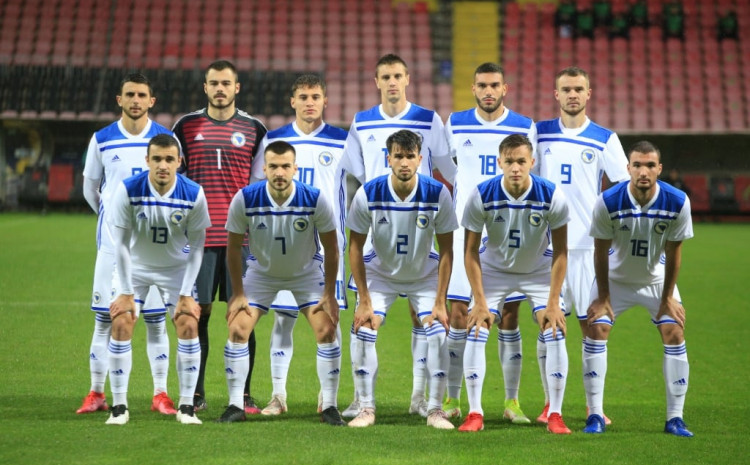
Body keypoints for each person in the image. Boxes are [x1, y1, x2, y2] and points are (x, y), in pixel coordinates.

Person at [340, 53, 457, 419]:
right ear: (376, 81)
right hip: (379, 229)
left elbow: (448, 168)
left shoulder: (429, 119)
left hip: (419, 228)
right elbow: (354, 173)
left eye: (397, 75)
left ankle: (421, 398)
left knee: (425, 321)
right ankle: (362, 399)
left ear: (407, 78)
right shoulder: (362, 121)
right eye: (385, 76)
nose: (392, 82)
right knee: (364, 320)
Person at [217, 140, 345, 426]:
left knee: (327, 330)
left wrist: (329, 293)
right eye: (273, 166)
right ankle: (235, 404)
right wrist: (238, 293)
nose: (279, 172)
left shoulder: (314, 198)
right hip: (262, 274)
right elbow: (233, 248)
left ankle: (330, 406)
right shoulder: (245, 198)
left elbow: (332, 248)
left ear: (295, 168)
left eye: (285, 166)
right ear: (263, 169)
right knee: (237, 329)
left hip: (306, 274)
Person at [532, 66, 629, 425]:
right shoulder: (538, 133)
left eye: (578, 89)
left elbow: (624, 187)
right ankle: (549, 404)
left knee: (594, 328)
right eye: (566, 89)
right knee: (549, 326)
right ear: (555, 94)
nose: (572, 95)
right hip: (547, 249)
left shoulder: (604, 138)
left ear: (589, 94)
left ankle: (594, 407)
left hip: (589, 249)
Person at [78, 73, 178, 416]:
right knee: (105, 321)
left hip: (153, 250)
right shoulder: (102, 139)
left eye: (142, 95)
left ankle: (160, 394)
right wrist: (112, 221)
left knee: (155, 321)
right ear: (119, 99)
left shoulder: (166, 139)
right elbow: (91, 189)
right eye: (130, 94)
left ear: (152, 101)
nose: (136, 100)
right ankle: (96, 393)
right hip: (112, 249)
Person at [443, 63, 538, 423]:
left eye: (494, 85)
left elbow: (529, 174)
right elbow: (446, 167)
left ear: (505, 88)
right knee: (457, 313)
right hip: (464, 229)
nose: (488, 91)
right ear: (473, 88)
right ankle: (452, 398)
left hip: (507, 232)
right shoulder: (455, 123)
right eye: (482, 85)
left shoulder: (524, 126)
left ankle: (512, 402)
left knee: (509, 316)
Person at [458, 134, 571, 434]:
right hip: (494, 270)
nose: (516, 168)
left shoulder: (552, 195)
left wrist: (553, 302)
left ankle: (555, 414)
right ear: (499, 162)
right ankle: (474, 413)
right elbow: (470, 251)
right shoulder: (482, 194)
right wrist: (480, 301)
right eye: (509, 162)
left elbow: (561, 252)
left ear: (532, 162)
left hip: (538, 270)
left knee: (555, 329)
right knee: (477, 328)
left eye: (521, 161)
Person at [172, 60, 267, 413]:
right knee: (197, 314)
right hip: (197, 240)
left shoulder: (254, 128)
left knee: (242, 314)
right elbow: (175, 179)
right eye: (214, 83)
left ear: (237, 87)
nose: (220, 89)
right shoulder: (185, 126)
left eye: (226, 83)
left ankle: (243, 394)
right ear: (205, 87)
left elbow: (258, 186)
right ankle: (195, 394)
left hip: (239, 241)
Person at [251, 74, 348, 415]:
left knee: (330, 319)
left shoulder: (343, 141)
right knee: (283, 318)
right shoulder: (273, 139)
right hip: (283, 243)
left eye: (316, 96)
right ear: (292, 101)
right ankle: (278, 395)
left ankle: (327, 397)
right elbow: (257, 187)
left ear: (325, 101)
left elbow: (366, 181)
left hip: (328, 245)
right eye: (303, 97)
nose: (310, 102)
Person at [583, 141, 694, 437]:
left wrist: (667, 297)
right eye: (637, 165)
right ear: (628, 168)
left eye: (650, 165)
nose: (643, 172)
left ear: (659, 169)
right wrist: (603, 297)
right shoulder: (608, 201)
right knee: (596, 328)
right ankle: (594, 415)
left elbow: (674, 252)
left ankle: (675, 419)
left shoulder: (677, 201)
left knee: (674, 332)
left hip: (655, 281)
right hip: (614, 281)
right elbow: (599, 251)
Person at [105, 134, 211, 425]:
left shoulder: (193, 193)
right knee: (121, 322)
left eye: (169, 159)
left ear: (179, 162)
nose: (163, 165)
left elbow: (197, 246)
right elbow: (121, 245)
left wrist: (186, 293)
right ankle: (119, 407)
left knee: (189, 324)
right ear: (147, 161)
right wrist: (126, 292)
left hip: (175, 269)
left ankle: (186, 407)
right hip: (135, 266)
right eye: (157, 159)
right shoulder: (129, 189)